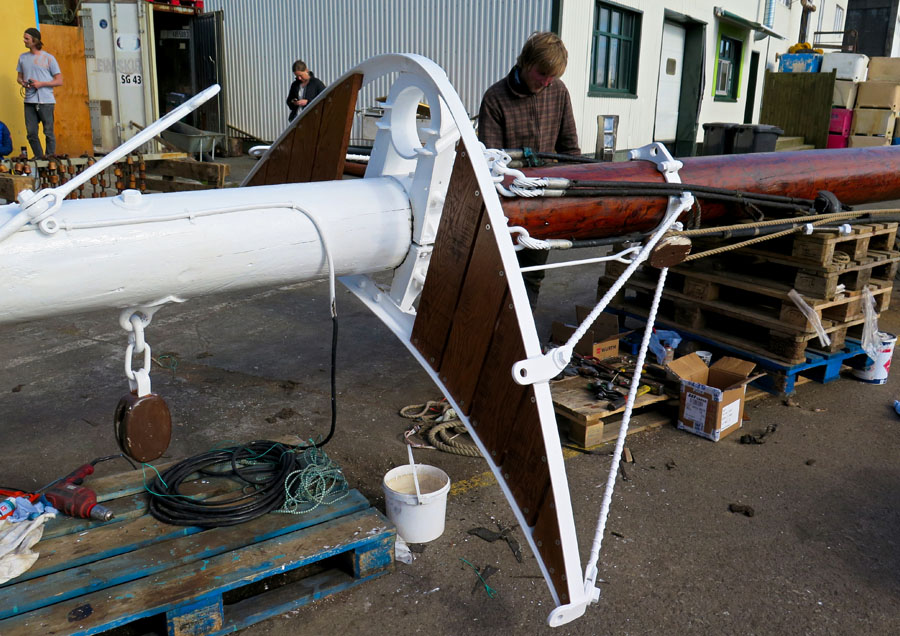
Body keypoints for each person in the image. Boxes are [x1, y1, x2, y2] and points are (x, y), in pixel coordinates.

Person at [478, 31, 580, 308]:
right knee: (499, 275)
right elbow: (490, 164)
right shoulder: (495, 98)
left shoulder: (557, 91)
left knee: (532, 276)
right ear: (525, 62)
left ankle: (522, 344)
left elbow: (570, 149)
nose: (545, 82)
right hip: (508, 205)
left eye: (552, 77)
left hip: (545, 203)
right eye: (541, 74)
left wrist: (574, 195)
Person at [16, 27, 62, 158]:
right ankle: (39, 156)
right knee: (31, 132)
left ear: (35, 40)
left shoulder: (49, 58)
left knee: (48, 131)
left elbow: (59, 80)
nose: (24, 41)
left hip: (46, 101)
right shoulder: (22, 58)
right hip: (29, 100)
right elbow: (19, 77)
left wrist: (41, 84)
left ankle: (50, 156)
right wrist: (23, 83)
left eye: (27, 38)